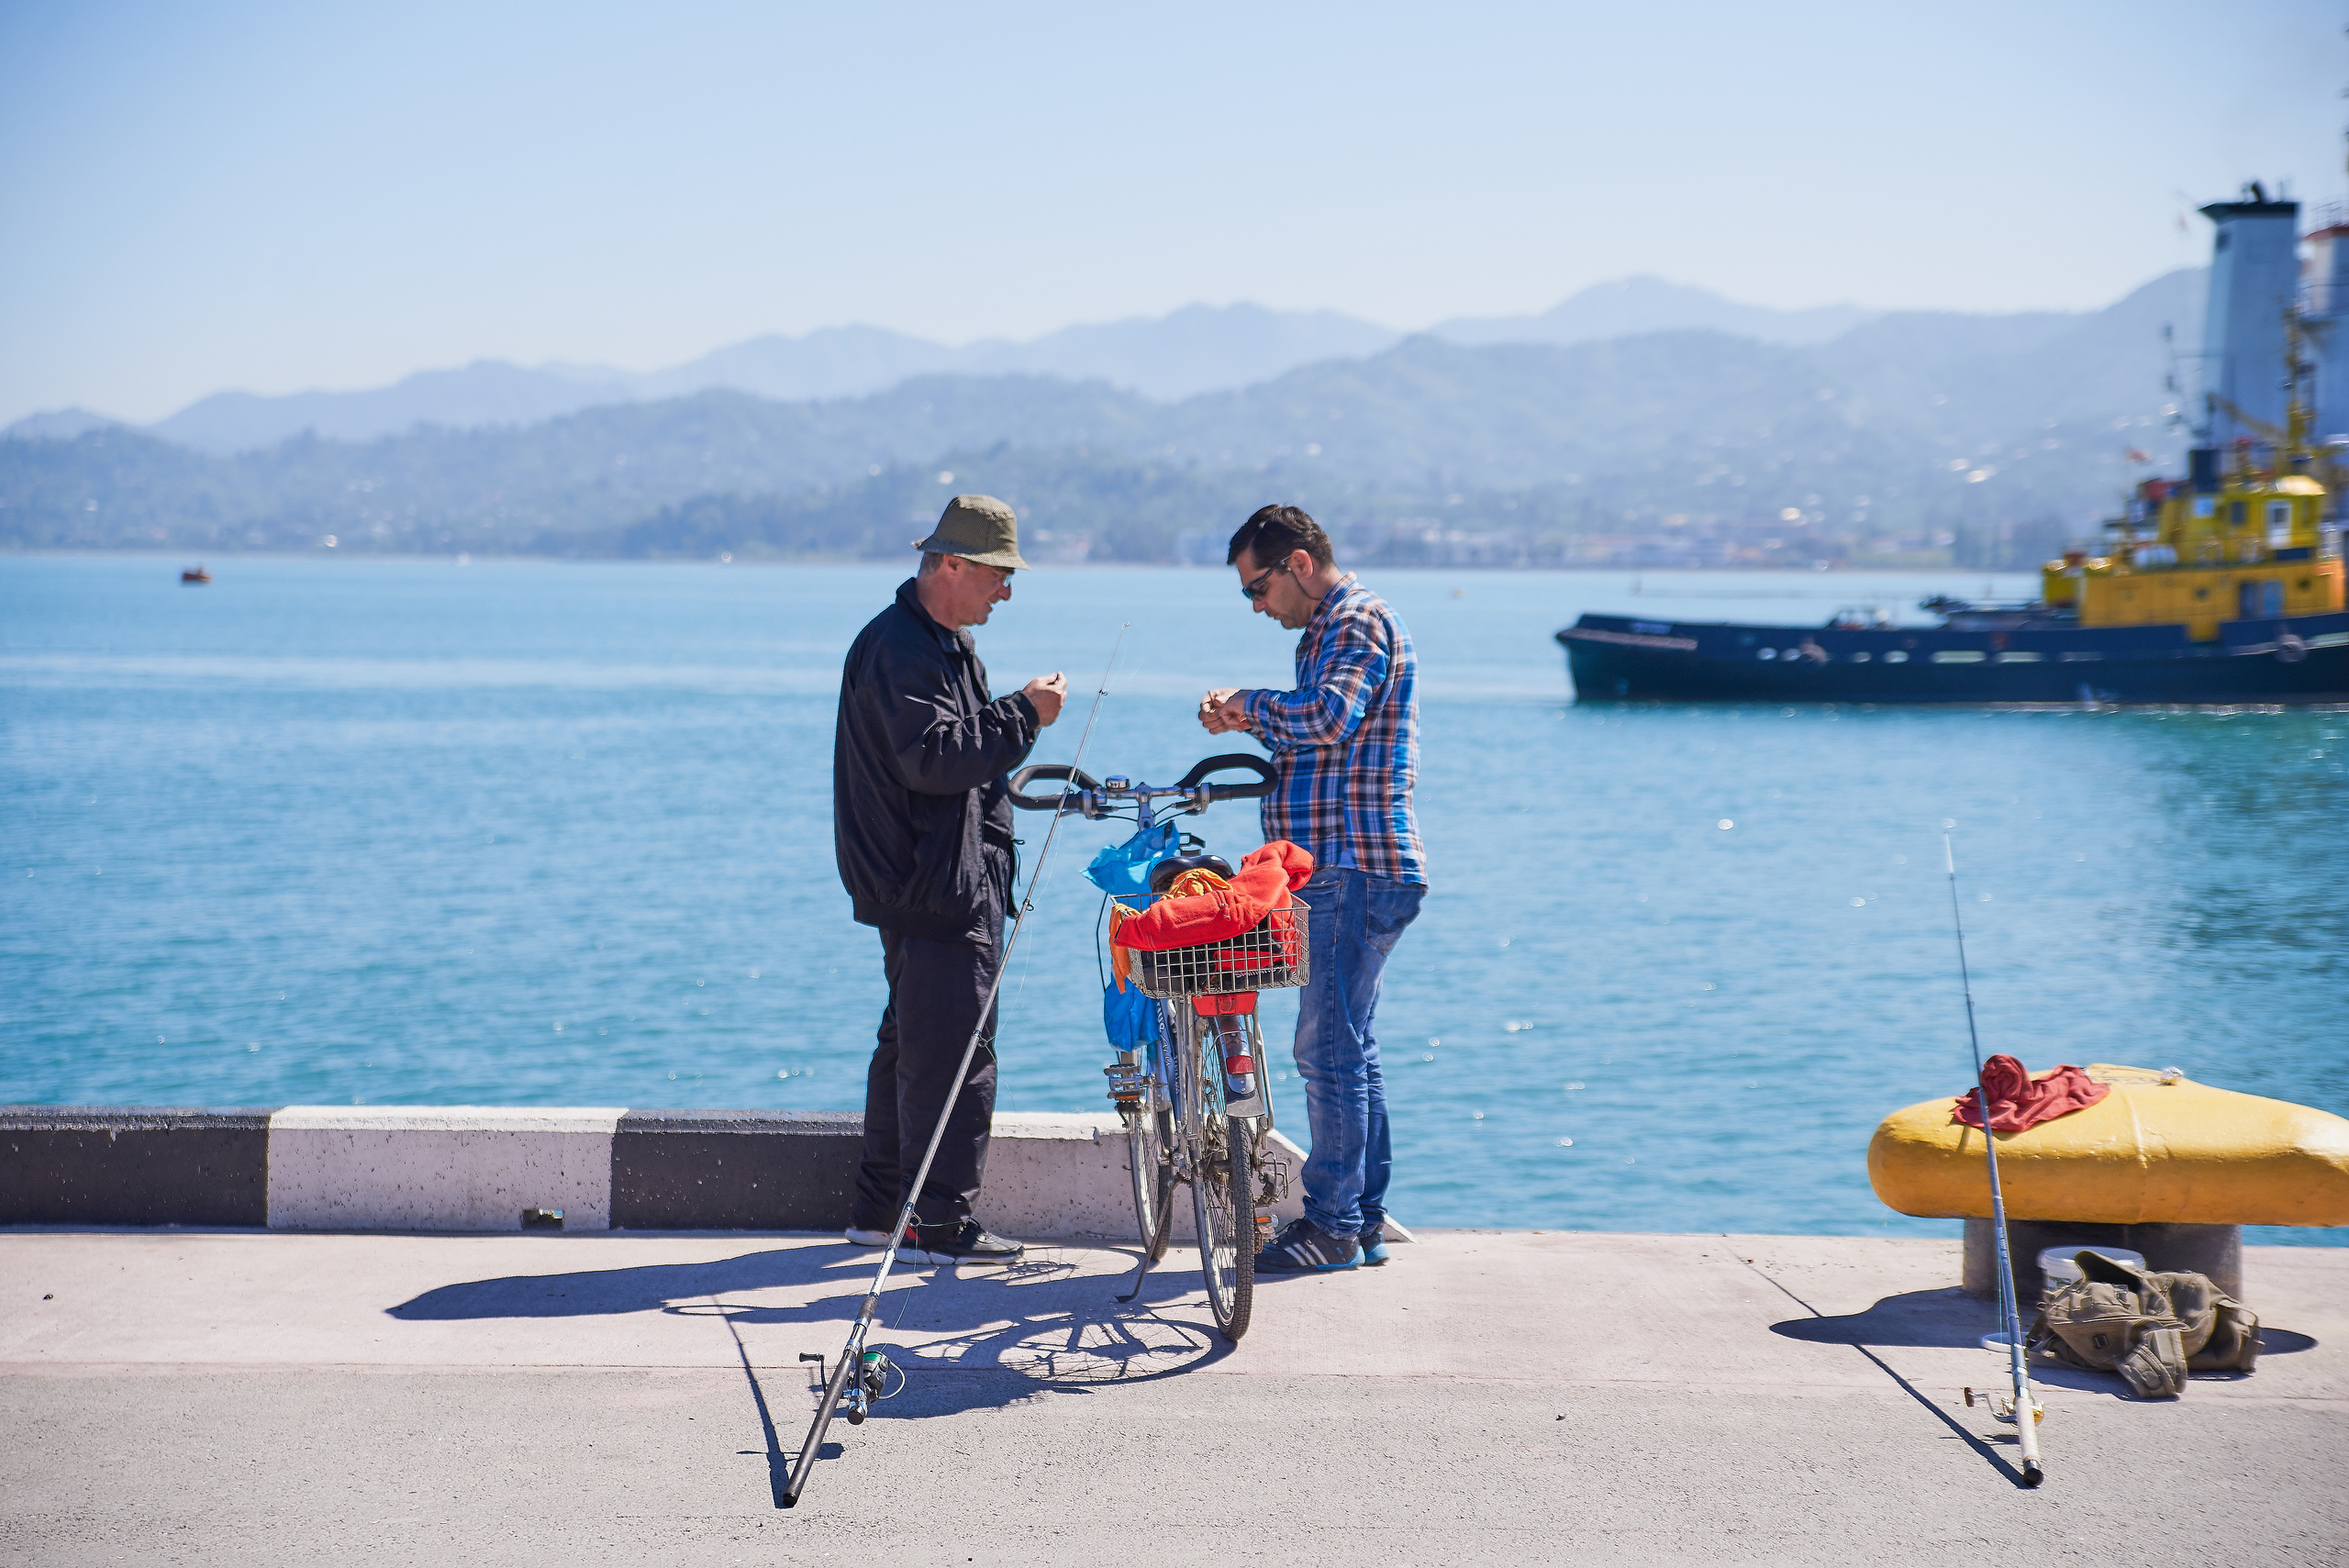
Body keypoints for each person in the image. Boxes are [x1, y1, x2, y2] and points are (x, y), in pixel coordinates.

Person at [834, 495, 1067, 1265]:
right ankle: (937, 1222)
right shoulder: (903, 647)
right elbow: (933, 759)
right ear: (953, 565)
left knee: (911, 1044)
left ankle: (878, 1212)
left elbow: (954, 758)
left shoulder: (937, 640)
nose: (1006, 591)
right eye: (999, 574)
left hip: (930, 879)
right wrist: (1025, 715)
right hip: (933, 886)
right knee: (959, 1052)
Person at [1200, 504, 1425, 1273]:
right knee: (1350, 1051)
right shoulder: (1329, 632)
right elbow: (1331, 740)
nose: (1258, 607)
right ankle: (1359, 1219)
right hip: (1350, 864)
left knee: (1325, 1050)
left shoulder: (1354, 622)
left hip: (1350, 864)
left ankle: (1332, 1224)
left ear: (1297, 563)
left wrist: (1250, 703)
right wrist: (1249, 722)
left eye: (1256, 588)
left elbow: (1331, 716)